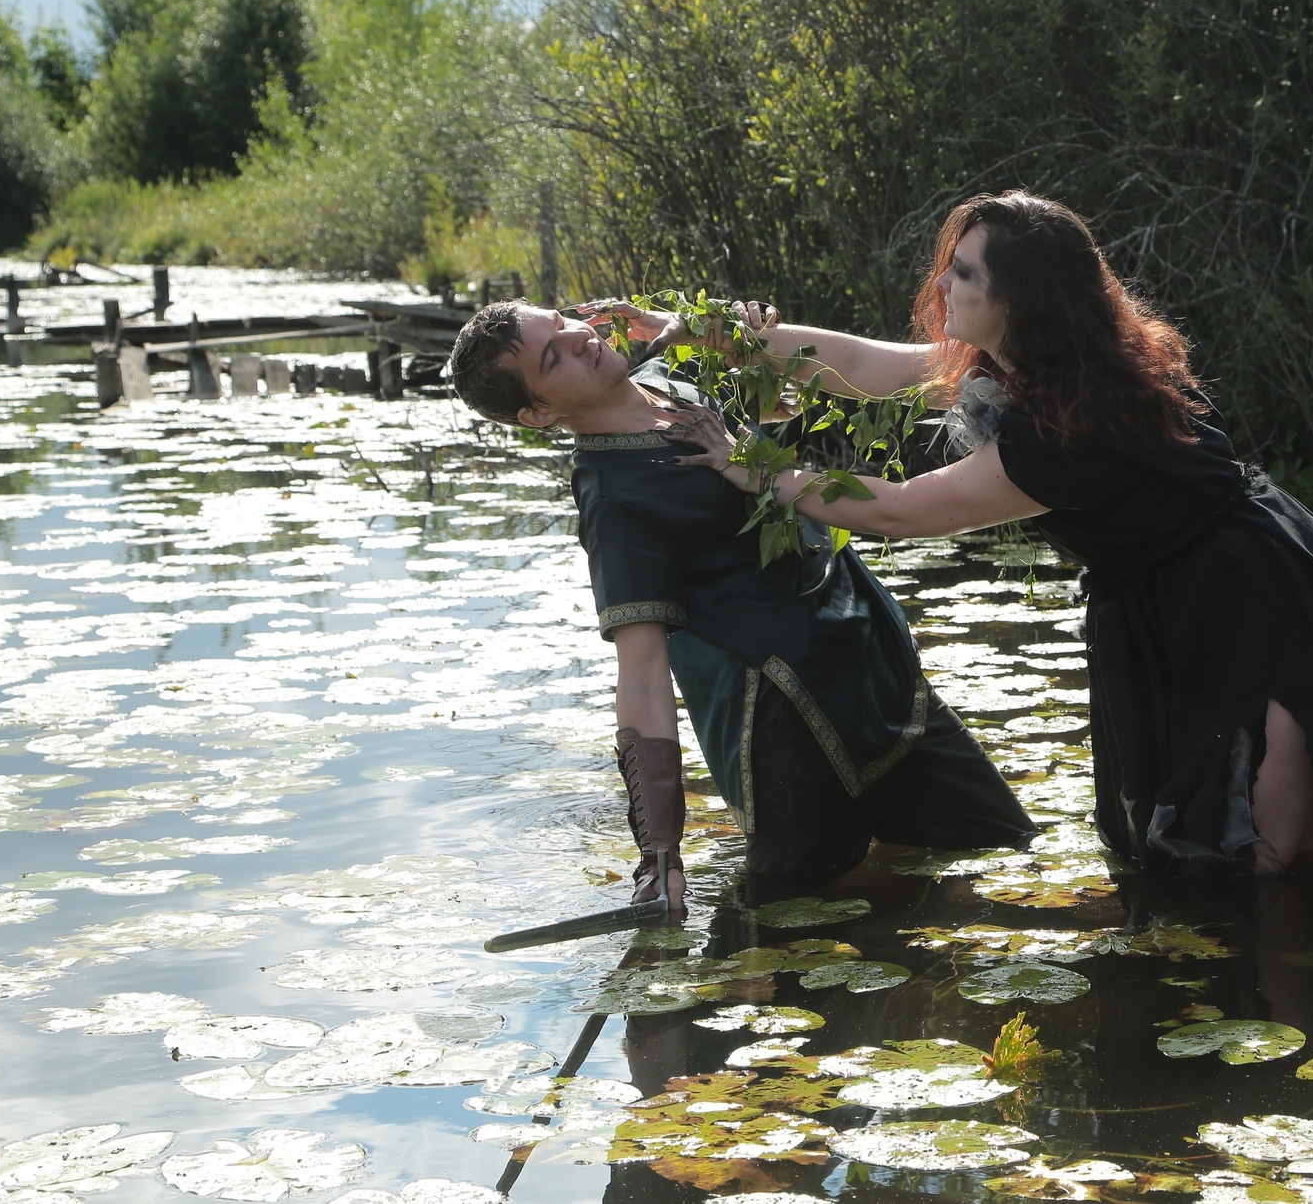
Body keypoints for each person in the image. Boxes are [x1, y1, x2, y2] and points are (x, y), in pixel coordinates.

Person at [661, 190, 1313, 878]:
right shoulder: (1035, 366)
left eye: (964, 273)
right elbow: (872, 365)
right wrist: (719, 337)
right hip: (1204, 590)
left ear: (1020, 299)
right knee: (1232, 853)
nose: (942, 284)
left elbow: (902, 509)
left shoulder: (1071, 426)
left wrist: (755, 468)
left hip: (1264, 603)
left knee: (1272, 861)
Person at [443, 301, 1036, 920]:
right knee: (791, 935)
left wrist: (726, 332)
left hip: (874, 668)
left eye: (561, 323)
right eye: (552, 356)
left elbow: (785, 404)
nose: (578, 340)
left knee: (1004, 845)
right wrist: (660, 852)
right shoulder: (615, 496)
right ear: (539, 413)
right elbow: (643, 677)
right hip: (787, 729)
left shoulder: (668, 379)